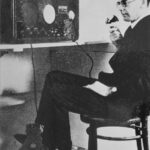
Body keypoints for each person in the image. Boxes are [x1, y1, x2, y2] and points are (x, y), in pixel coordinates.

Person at [19, 0, 150, 149]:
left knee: (55, 91)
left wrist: (111, 89)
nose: (120, 7)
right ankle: (40, 138)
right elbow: (131, 67)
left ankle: (57, 145)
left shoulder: (147, 29)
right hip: (122, 96)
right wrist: (120, 43)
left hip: (125, 104)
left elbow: (146, 82)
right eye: (118, 2)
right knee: (53, 77)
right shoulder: (138, 27)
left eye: (125, 2)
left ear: (143, 2)